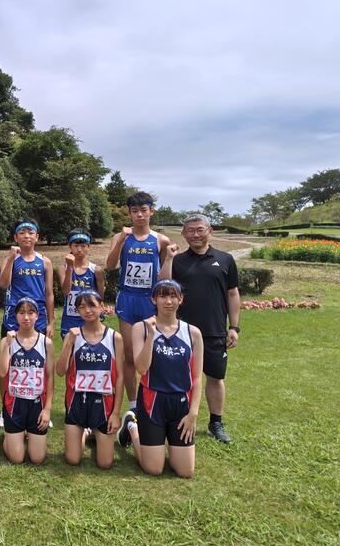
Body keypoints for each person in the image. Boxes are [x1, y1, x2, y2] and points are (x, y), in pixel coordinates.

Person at [160, 214, 240, 443]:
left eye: (200, 230)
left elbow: (232, 293)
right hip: (181, 332)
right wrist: (168, 258)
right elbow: (163, 286)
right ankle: (177, 418)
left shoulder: (225, 259)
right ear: (184, 234)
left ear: (209, 231)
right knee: (179, 377)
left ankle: (216, 423)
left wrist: (234, 327)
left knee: (215, 377)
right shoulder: (177, 260)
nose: (195, 234)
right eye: (190, 231)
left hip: (214, 330)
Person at [117, 280, 203, 478]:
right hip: (152, 402)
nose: (168, 301)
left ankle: (162, 439)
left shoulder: (193, 333)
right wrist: (151, 336)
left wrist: (193, 413)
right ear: (154, 299)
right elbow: (141, 368)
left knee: (185, 471)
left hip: (181, 404)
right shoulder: (141, 328)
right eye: (163, 296)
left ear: (181, 299)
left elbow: (197, 377)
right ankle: (132, 426)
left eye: (173, 296)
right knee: (153, 469)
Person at [105, 192, 172, 413]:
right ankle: (134, 404)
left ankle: (155, 395)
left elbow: (164, 276)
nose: (140, 215)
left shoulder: (161, 240)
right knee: (129, 354)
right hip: (127, 298)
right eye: (135, 211)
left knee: (154, 350)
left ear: (151, 211)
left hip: (150, 300)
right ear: (129, 214)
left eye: (144, 210)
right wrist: (120, 241)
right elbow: (111, 266)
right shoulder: (120, 237)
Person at [56, 290, 123, 468]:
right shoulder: (73, 335)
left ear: (101, 307)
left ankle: (98, 431)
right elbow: (60, 371)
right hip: (76, 402)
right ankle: (85, 432)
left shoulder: (114, 337)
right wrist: (69, 343)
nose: (87, 310)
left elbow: (120, 377)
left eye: (92, 305)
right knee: (73, 459)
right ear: (77, 311)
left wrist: (116, 414)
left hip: (104, 404)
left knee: (105, 464)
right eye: (82, 307)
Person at [0, 218, 54, 426]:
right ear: (16, 237)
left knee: (40, 364)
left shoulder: (44, 261)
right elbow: (3, 284)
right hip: (14, 317)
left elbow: (49, 293)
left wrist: (51, 321)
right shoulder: (11, 258)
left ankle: (41, 407)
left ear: (37, 237)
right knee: (8, 363)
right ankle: (5, 408)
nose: (27, 236)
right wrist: (11, 259)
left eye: (31, 232)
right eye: (22, 232)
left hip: (38, 319)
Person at [0, 297, 54, 465]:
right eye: (21, 313)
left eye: (31, 313)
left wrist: (47, 409)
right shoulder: (7, 341)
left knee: (37, 458)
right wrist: (7, 345)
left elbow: (50, 377)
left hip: (37, 403)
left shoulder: (46, 343)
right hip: (14, 403)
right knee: (17, 459)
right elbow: (1, 372)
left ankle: (25, 433)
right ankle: (10, 436)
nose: (26, 317)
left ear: (38, 316)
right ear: (16, 316)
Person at [56, 228, 106, 338]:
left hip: (90, 317)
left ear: (88, 246)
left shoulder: (96, 270)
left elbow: (100, 297)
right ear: (70, 246)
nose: (79, 250)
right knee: (70, 348)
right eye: (75, 246)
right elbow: (66, 292)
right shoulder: (63, 269)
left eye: (83, 246)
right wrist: (70, 267)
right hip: (70, 319)